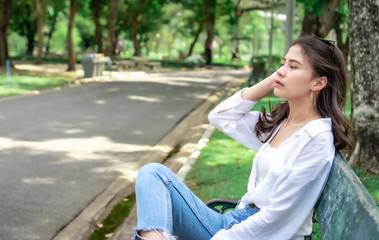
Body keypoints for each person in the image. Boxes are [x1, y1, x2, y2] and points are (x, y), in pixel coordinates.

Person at [132, 35, 353, 240]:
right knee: (153, 173)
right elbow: (221, 117)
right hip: (234, 223)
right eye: (282, 64)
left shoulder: (315, 139)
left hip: (256, 234)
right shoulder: (282, 123)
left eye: (293, 67)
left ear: (318, 83)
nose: (281, 71)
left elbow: (278, 219)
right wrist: (272, 81)